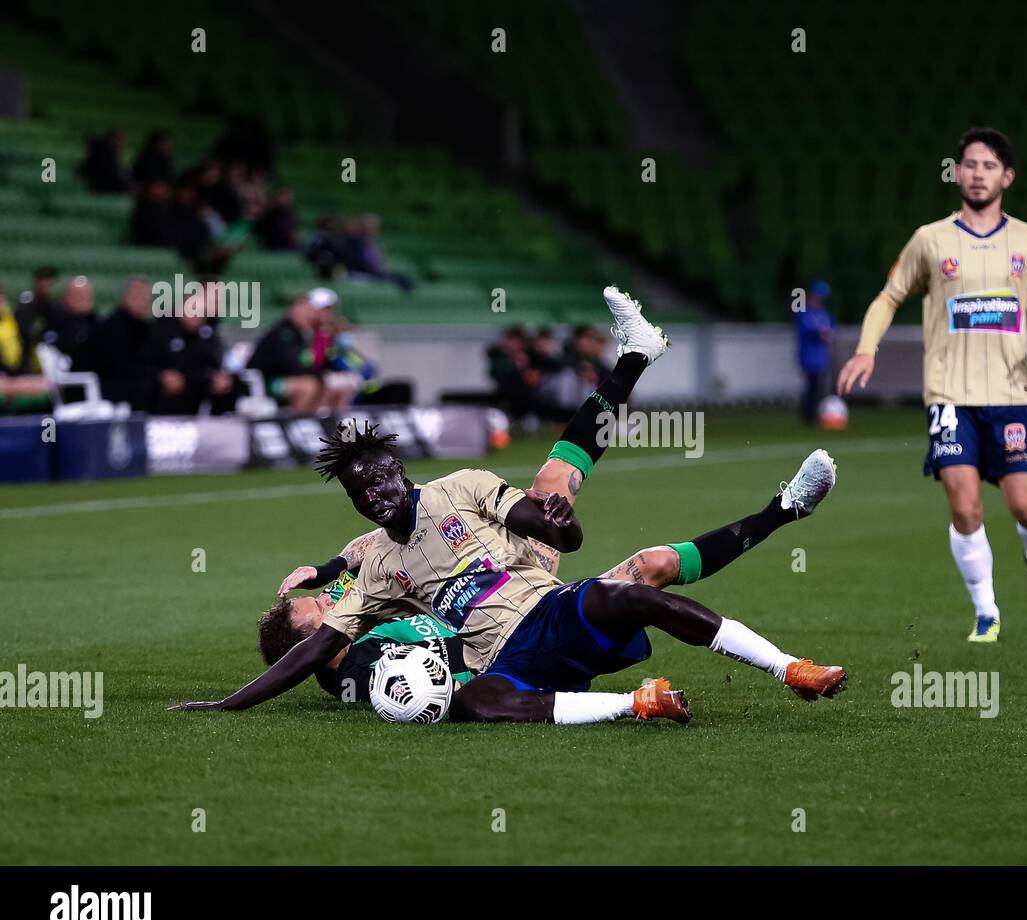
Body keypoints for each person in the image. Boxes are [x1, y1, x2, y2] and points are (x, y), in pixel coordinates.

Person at [171, 288, 846, 722]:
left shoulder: (404, 531)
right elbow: (335, 621)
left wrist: (316, 573)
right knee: (655, 562)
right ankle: (782, 509)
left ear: (399, 471)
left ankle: (641, 361)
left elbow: (350, 559)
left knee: (575, 499)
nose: (326, 604)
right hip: (509, 626)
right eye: (317, 611)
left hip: (517, 562)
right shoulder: (361, 641)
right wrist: (234, 700)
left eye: (377, 482)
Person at [836, 127, 1027, 643]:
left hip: (1012, 396)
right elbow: (888, 297)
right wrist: (865, 348)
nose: (977, 174)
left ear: (1006, 176)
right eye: (969, 164)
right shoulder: (931, 239)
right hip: (949, 397)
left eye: (989, 166)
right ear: (956, 172)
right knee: (965, 506)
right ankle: (986, 610)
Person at [144, 285, 243, 415]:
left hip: (196, 391)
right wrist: (162, 376)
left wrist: (218, 378)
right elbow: (145, 364)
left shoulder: (207, 336)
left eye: (201, 311)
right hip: (163, 394)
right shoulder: (161, 331)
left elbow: (211, 365)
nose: (196, 315)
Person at [85, 278, 154, 409]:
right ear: (124, 297)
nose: (142, 301)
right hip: (112, 403)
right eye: (137, 296)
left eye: (145, 297)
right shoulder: (106, 328)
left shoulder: (148, 329)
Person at [795, 279, 837, 424]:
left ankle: (818, 414)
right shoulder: (804, 311)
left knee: (819, 386)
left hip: (821, 356)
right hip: (809, 355)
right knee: (812, 386)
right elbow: (805, 329)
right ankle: (808, 416)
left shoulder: (823, 313)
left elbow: (832, 328)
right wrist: (820, 333)